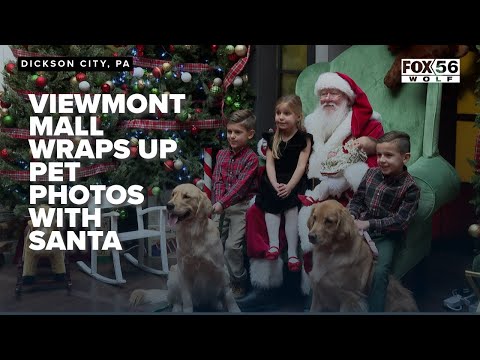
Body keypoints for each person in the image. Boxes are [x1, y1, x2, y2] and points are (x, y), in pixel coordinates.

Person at [239, 72, 384, 311]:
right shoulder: (310, 124)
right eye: (323, 94)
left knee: (316, 219)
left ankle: (315, 291)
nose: (327, 98)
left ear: (347, 97)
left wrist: (372, 146)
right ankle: (264, 288)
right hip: (303, 187)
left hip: (342, 195)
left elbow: (379, 162)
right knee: (258, 210)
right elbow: (284, 144)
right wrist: (267, 145)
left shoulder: (367, 124)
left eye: (333, 93)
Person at [348, 131, 420, 312]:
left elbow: (401, 221)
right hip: (361, 230)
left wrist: (370, 224)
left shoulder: (410, 187)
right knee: (336, 257)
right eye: (379, 154)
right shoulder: (371, 174)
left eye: (389, 155)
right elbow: (357, 200)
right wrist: (352, 215)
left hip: (387, 236)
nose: (381, 160)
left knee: (379, 273)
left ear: (405, 157)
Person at [254, 95, 312, 273]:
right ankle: (273, 245)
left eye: (286, 113)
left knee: (291, 208)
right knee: (271, 205)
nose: (280, 117)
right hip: (275, 178)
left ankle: (293, 254)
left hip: (294, 180)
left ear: (298, 117)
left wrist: (289, 186)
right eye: (278, 113)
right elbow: (269, 164)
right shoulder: (273, 138)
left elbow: (302, 166)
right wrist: (274, 183)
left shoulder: (304, 139)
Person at [212, 109, 259, 299]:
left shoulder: (251, 159)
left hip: (241, 207)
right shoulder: (221, 155)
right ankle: (222, 281)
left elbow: (240, 187)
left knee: (232, 246)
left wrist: (222, 203)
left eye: (237, 132)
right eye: (229, 131)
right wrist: (218, 202)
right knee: (216, 243)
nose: (232, 136)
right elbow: (218, 181)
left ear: (250, 134)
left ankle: (240, 282)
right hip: (220, 206)